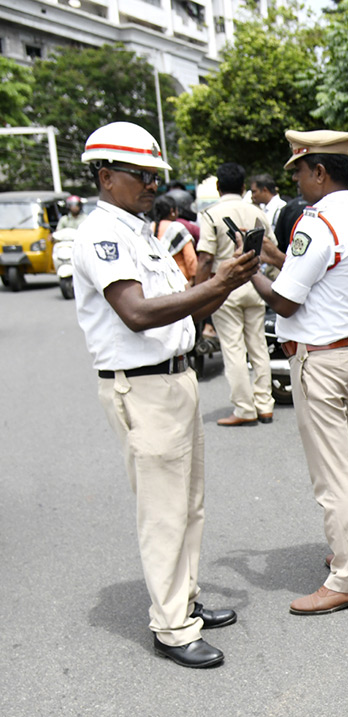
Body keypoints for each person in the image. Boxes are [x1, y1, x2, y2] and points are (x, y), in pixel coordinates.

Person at [73, 121, 258, 668]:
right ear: (107, 178)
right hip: (144, 386)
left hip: (174, 378)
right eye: (141, 175)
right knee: (163, 511)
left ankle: (186, 601)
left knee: (188, 505)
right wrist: (217, 285)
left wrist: (221, 279)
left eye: (155, 175)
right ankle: (172, 626)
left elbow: (186, 310)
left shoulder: (139, 231)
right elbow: (134, 313)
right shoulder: (101, 236)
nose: (154, 184)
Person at [249, 128, 348, 616]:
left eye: (301, 171)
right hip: (347, 353)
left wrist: (251, 273)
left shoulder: (317, 223)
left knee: (333, 475)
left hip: (319, 359)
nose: (299, 181)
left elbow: (285, 298)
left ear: (320, 171)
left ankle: (346, 577)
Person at [196, 162, 278, 427]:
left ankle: (244, 408)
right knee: (258, 347)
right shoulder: (256, 212)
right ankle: (265, 405)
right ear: (244, 187)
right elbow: (271, 249)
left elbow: (205, 259)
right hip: (255, 284)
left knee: (233, 349)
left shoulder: (209, 214)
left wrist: (200, 294)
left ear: (218, 187)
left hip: (226, 288)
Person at [151, 195, 198, 285]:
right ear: (172, 211)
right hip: (180, 280)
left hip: (158, 281)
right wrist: (194, 278)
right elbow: (190, 258)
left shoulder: (149, 228)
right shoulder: (177, 227)